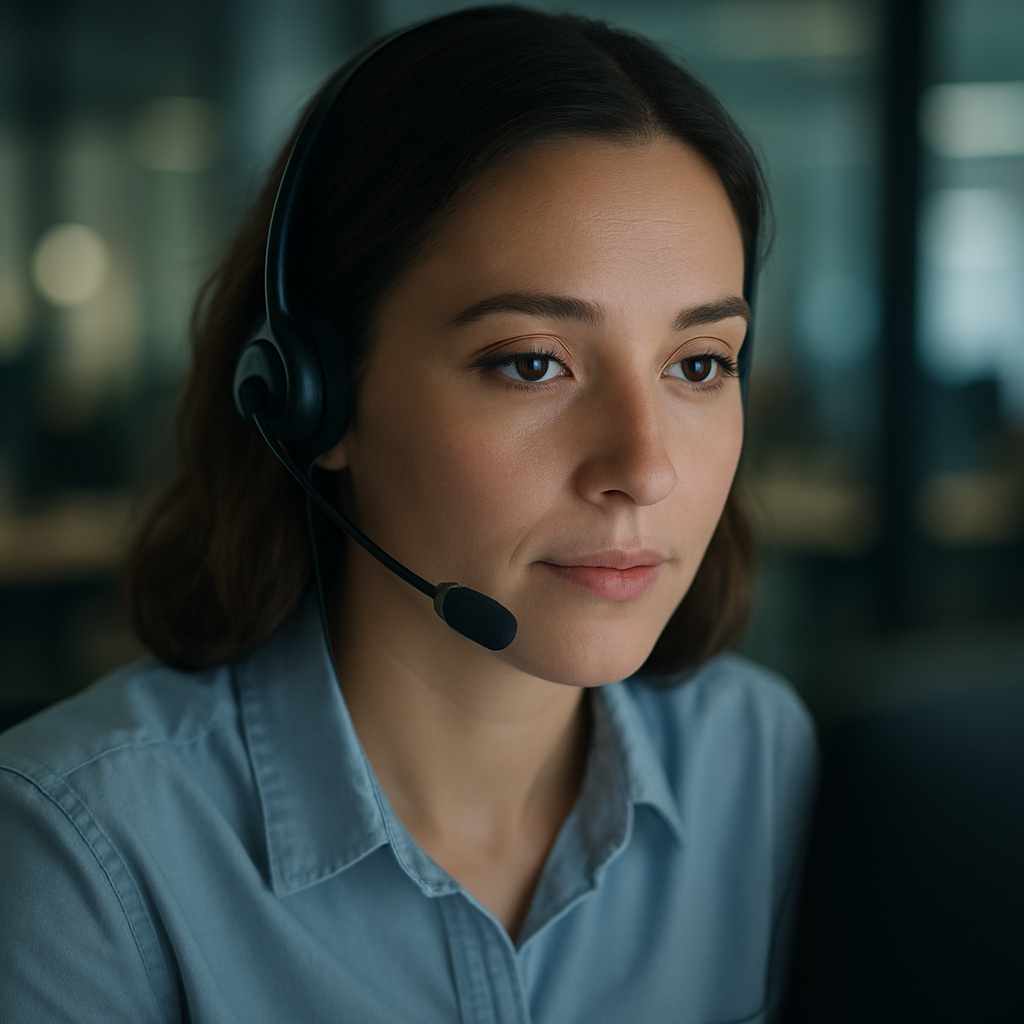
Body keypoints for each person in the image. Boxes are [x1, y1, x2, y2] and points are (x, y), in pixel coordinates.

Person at [0, 7, 817, 1022]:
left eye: (698, 365)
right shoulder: (80, 858)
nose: (643, 470)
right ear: (317, 399)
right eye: (532, 363)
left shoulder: (760, 760)